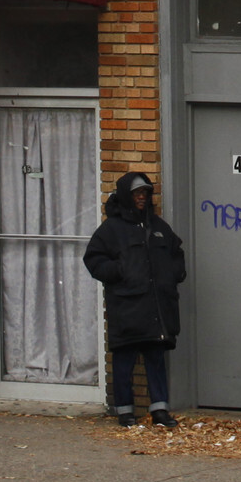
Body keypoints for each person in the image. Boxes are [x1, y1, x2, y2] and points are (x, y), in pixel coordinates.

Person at [83, 171, 186, 429]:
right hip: (127, 307)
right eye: (137, 193)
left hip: (156, 309)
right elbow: (94, 260)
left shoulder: (158, 226)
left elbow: (177, 253)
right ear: (126, 197)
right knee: (124, 360)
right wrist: (119, 272)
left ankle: (160, 410)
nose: (142, 198)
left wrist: (173, 275)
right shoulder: (111, 229)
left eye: (145, 193)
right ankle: (125, 411)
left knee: (155, 359)